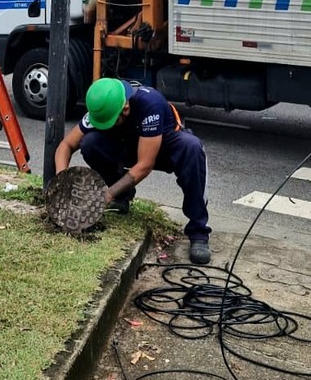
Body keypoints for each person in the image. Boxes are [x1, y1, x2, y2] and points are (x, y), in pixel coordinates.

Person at [54, 78, 212, 265]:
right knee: (90, 143)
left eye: (110, 122)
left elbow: (145, 165)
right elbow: (66, 145)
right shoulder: (106, 103)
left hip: (164, 148)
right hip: (129, 144)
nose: (106, 125)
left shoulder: (149, 105)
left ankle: (198, 231)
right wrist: (61, 181)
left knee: (192, 148)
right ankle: (123, 197)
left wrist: (106, 195)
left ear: (126, 108)